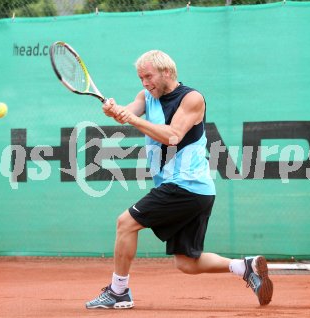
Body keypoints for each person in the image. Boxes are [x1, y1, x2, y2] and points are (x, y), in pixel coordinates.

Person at [85, 50, 273, 309]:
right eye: (140, 77)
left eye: (148, 76)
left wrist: (133, 119)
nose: (144, 83)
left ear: (167, 72)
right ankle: (245, 267)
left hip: (186, 185)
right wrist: (114, 111)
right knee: (186, 262)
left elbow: (172, 135)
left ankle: (119, 291)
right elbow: (127, 113)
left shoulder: (192, 98)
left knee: (125, 223)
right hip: (192, 190)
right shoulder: (146, 97)